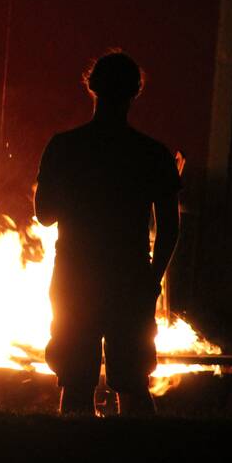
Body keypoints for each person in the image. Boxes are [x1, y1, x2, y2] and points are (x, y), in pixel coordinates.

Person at [34, 51, 180, 416]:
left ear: (91, 88)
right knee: (132, 382)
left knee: (75, 382)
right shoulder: (152, 154)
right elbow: (169, 228)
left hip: (74, 278)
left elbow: (44, 215)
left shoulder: (64, 147)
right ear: (135, 93)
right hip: (129, 279)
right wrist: (152, 280)